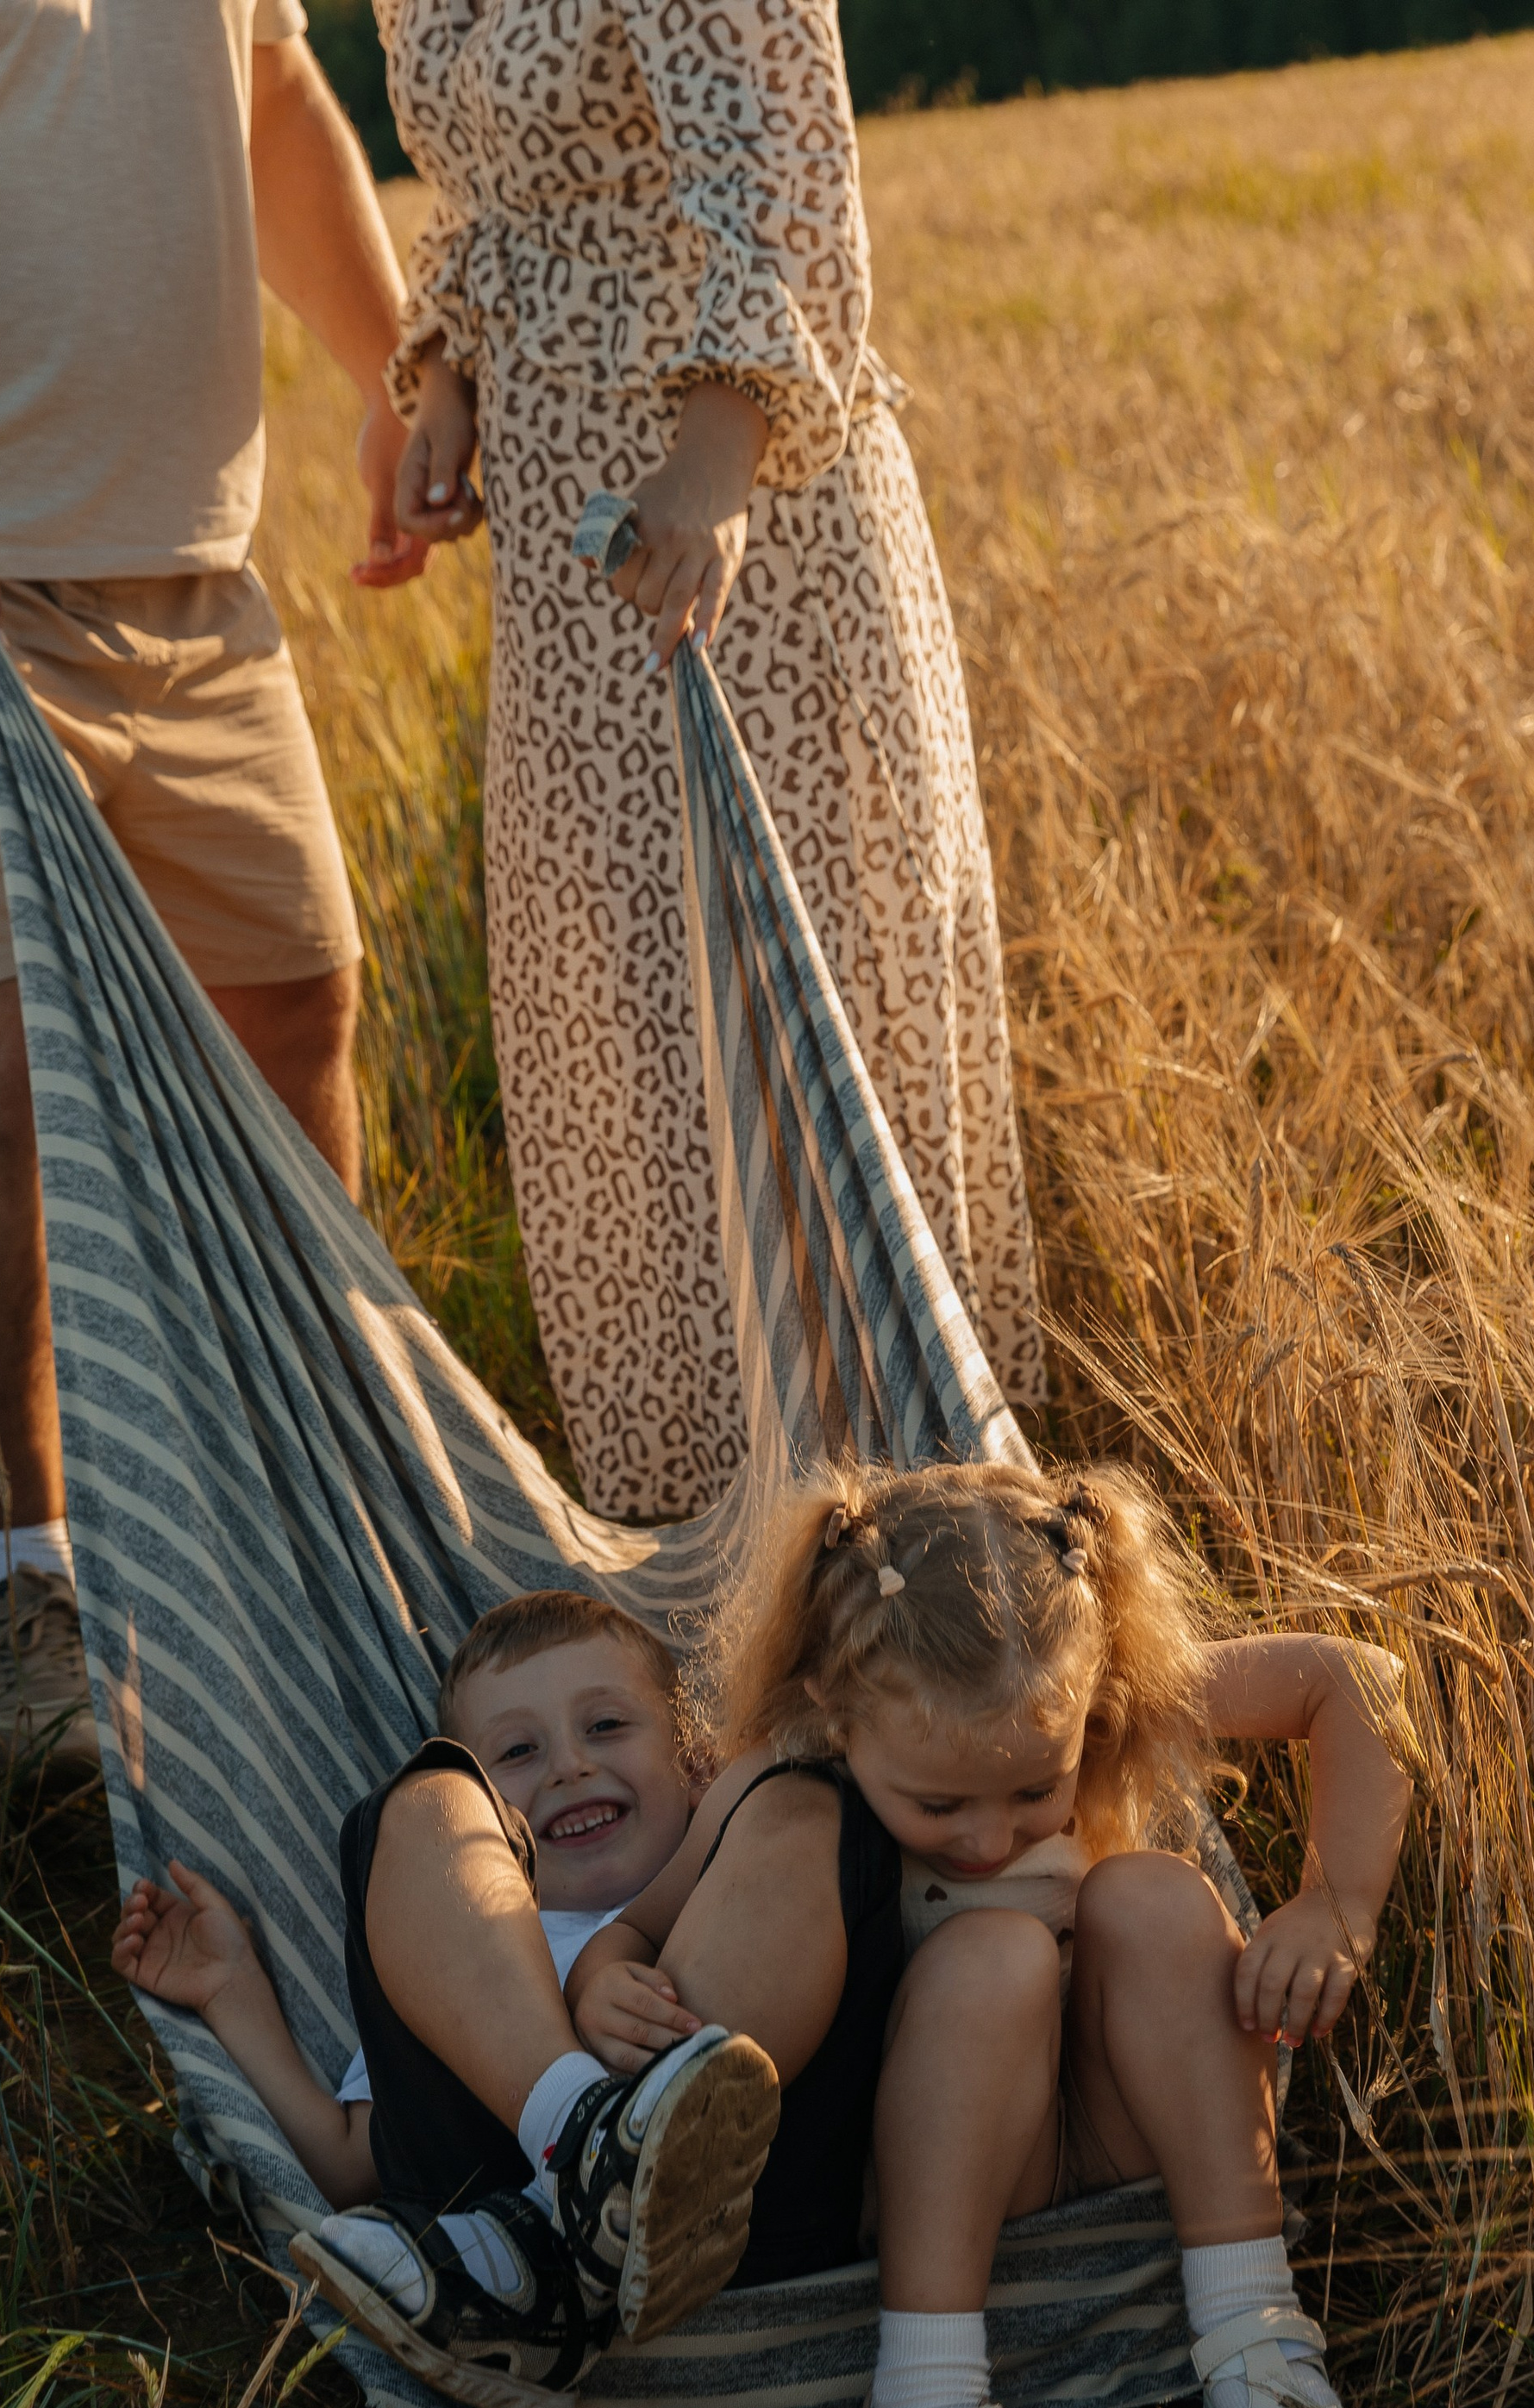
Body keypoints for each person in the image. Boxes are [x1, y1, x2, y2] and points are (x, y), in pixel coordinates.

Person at [0, 3, 432, 1770]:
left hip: (180, 545)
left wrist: (387, 372)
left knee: (293, 1009)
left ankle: (308, 1503)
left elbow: (264, 90)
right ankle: (19, 1603)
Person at [370, 0, 1048, 1524]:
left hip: (754, 541)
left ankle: (928, 1593)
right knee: (623, 1050)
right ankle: (708, 1585)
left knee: (798, 1048)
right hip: (570, 564)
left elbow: (784, 161)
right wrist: (451, 385)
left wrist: (717, 456)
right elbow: (487, 191)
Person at [589, 1459, 1414, 2408]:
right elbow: (636, 1925)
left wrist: (1339, 1904)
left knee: (1155, 1897)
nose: (989, 1836)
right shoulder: (788, 1775)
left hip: (1133, 2132)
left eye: (1037, 1789)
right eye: (939, 1807)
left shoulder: (1100, 1698)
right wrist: (607, 1980)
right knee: (997, 1960)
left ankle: (1258, 2342)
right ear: (832, 1706)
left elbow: (1362, 1681)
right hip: (963, 2168)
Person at [113, 1590, 787, 2408]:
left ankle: (593, 2174)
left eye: (607, 1726)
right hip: (482, 2197)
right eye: (516, 1752)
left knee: (794, 1806)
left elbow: (781, 1775)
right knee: (423, 1796)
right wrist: (233, 1992)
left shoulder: (730, 1877)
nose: (569, 1766)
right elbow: (350, 2162)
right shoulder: (460, 1935)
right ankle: (578, 2135)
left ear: (695, 1764)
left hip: (726, 2195)